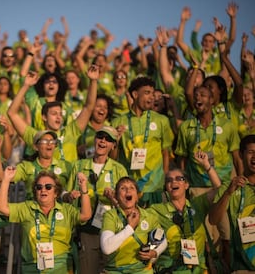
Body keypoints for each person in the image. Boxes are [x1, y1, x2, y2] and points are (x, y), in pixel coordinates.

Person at [0, 167, 92, 273]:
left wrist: (83, 188)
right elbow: (1, 207)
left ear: (56, 193)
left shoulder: (66, 210)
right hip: (33, 268)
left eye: (48, 187)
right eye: (39, 187)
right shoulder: (27, 208)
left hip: (61, 268)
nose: (43, 190)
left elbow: (85, 215)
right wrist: (6, 180)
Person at [65, 126, 128, 274]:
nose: (103, 141)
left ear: (113, 145)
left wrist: (113, 198)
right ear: (95, 139)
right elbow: (67, 197)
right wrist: (70, 195)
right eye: (100, 136)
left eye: (108, 139)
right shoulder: (78, 166)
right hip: (86, 230)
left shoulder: (119, 169)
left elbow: (127, 205)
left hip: (111, 230)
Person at [8, 65, 99, 163]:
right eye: (54, 113)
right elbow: (12, 113)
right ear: (44, 117)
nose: (58, 116)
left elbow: (89, 107)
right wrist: (25, 86)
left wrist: (93, 81)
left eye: (60, 113)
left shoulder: (71, 132)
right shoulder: (36, 136)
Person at [150, 151, 222, 273]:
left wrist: (206, 166)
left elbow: (219, 189)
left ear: (187, 185)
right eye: (169, 180)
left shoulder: (197, 204)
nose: (174, 182)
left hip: (199, 270)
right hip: (171, 270)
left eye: (179, 179)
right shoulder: (156, 210)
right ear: (166, 187)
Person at [111, 76, 174, 207]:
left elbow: (165, 152)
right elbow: (113, 158)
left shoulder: (161, 120)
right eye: (147, 93)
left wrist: (165, 180)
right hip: (130, 188)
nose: (152, 97)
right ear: (134, 94)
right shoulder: (118, 122)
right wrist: (115, 141)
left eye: (152, 93)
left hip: (155, 186)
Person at [100, 177, 167, 274]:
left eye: (132, 188)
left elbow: (163, 240)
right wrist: (130, 227)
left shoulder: (149, 216)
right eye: (123, 188)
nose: (128, 190)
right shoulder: (110, 215)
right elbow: (106, 248)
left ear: (137, 196)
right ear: (117, 196)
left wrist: (155, 253)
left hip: (142, 271)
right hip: (115, 271)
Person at [209, 134, 255, 272]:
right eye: (251, 152)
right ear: (241, 155)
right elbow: (213, 219)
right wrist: (229, 192)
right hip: (242, 266)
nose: (254, 157)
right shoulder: (230, 187)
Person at [0, 130, 72, 200]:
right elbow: (1, 178)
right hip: (32, 211)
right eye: (44, 141)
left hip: (58, 213)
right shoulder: (26, 166)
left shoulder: (65, 166)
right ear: (36, 147)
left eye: (52, 142)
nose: (49, 144)